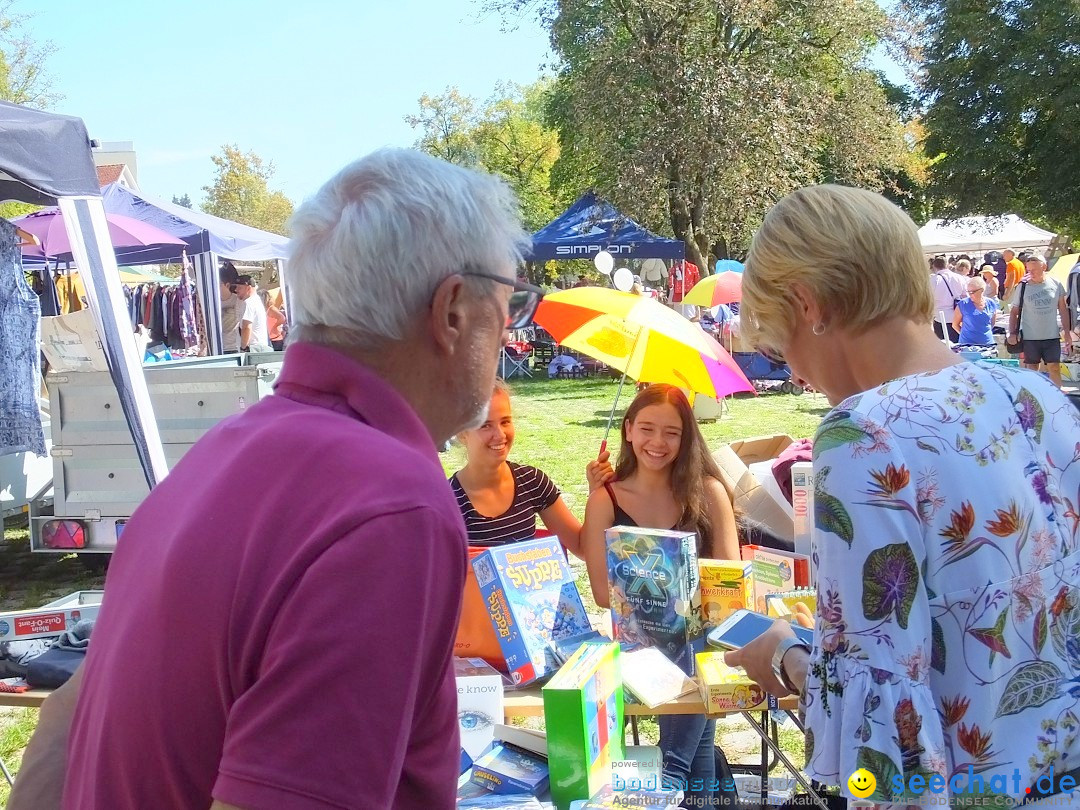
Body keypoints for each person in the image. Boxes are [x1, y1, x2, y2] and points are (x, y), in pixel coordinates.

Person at [12, 148, 542, 810]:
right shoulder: (389, 505)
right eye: (509, 302)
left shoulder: (220, 454)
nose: (509, 334)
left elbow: (65, 722)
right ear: (455, 310)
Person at [727, 184, 1080, 808]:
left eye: (784, 350)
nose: (798, 375)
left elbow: (885, 726)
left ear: (808, 304)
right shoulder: (1038, 398)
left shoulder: (864, 431)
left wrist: (786, 657)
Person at [581, 383, 739, 808]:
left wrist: (688, 589)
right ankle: (674, 777)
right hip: (639, 649)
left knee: (694, 641)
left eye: (672, 432)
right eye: (647, 428)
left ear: (687, 437)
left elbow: (731, 587)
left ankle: (671, 778)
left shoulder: (709, 492)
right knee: (700, 747)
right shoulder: (606, 498)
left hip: (702, 643)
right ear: (628, 430)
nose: (658, 442)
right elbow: (601, 594)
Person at [449, 381, 612, 553]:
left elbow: (582, 548)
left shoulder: (532, 481)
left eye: (505, 422)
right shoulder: (447, 501)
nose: (500, 434)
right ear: (462, 433)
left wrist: (595, 493)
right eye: (485, 425)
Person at [1007, 253, 1073, 388]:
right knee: (1032, 368)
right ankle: (1035, 397)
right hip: (1031, 336)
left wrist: (1067, 332)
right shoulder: (1023, 286)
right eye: (1028, 270)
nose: (1031, 273)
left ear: (1044, 267)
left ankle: (1058, 398)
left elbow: (1063, 310)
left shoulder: (1056, 284)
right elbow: (1014, 312)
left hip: (1051, 335)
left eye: (1034, 270)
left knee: (1054, 367)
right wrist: (1012, 332)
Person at [951, 275, 998, 347]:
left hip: (988, 344)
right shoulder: (963, 304)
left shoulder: (991, 303)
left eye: (972, 292)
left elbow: (992, 323)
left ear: (982, 290)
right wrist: (966, 335)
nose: (970, 294)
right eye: (968, 292)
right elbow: (955, 325)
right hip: (968, 346)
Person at [928, 256, 967, 342]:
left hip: (940, 318)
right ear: (947, 265)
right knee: (958, 346)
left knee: (943, 347)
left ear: (934, 266)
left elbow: (929, 299)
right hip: (957, 317)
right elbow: (965, 297)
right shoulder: (959, 278)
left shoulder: (933, 280)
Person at [233, 274, 270, 352]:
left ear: (248, 288)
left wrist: (244, 347)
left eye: (239, 287)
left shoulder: (248, 303)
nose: (236, 290)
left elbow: (246, 326)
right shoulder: (256, 300)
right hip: (260, 346)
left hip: (253, 348)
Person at [218, 263, 244, 354]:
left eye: (219, 284)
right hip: (217, 347)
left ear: (227, 285)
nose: (216, 287)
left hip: (234, 347)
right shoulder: (212, 303)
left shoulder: (238, 300)